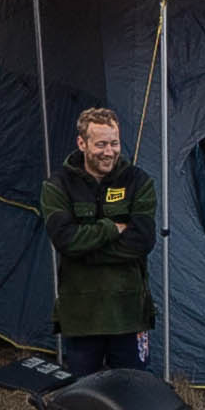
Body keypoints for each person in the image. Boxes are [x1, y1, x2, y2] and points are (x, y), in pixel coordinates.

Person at [39, 103, 156, 385]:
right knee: (82, 396)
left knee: (134, 393)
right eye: (101, 144)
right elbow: (65, 240)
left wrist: (86, 248)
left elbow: (142, 241)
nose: (109, 151)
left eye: (114, 143)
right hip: (81, 316)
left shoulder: (139, 181)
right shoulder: (57, 186)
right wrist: (111, 227)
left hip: (129, 313)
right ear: (82, 143)